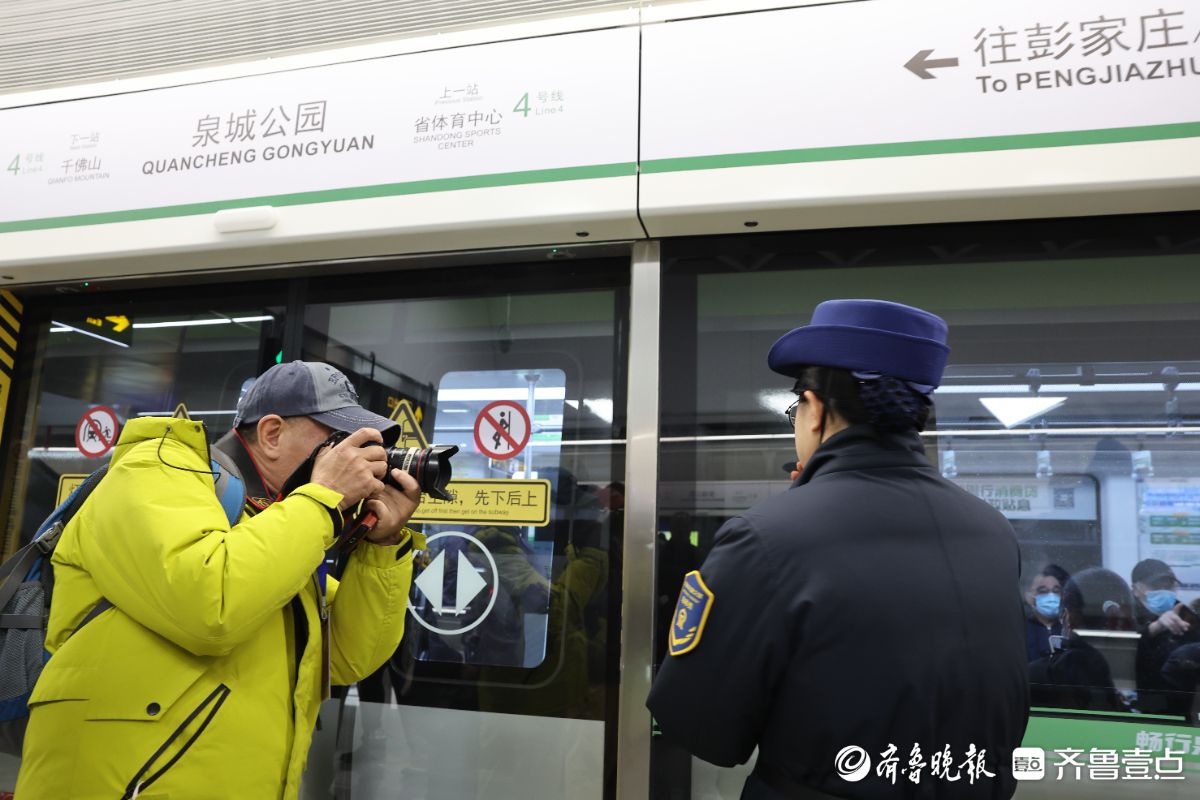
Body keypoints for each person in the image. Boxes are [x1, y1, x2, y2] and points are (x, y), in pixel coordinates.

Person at [647, 299, 1029, 799]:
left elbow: (700, 727)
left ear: (817, 408)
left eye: (795, 407)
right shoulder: (993, 531)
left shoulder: (766, 538)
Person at [17, 361, 422, 799]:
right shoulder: (157, 469)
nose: (362, 459)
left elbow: (346, 657)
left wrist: (382, 546)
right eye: (339, 441)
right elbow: (211, 605)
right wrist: (322, 499)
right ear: (271, 434)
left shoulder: (278, 526)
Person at [1028, 568, 1133, 712]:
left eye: (1056, 590)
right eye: (1042, 591)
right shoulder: (1139, 666)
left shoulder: (1035, 676)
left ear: (1067, 617)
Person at [1130, 558, 1200, 715]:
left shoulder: (1187, 616)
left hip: (1182, 707)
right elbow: (1124, 649)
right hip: (1142, 706)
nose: (1163, 590)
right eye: (1155, 585)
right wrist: (1155, 628)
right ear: (1135, 589)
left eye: (1168, 585)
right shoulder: (1124, 614)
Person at [1024, 564, 1070, 662]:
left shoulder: (1069, 629)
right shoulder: (1020, 631)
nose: (1051, 595)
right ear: (1029, 597)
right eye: (1043, 591)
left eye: (1056, 591)